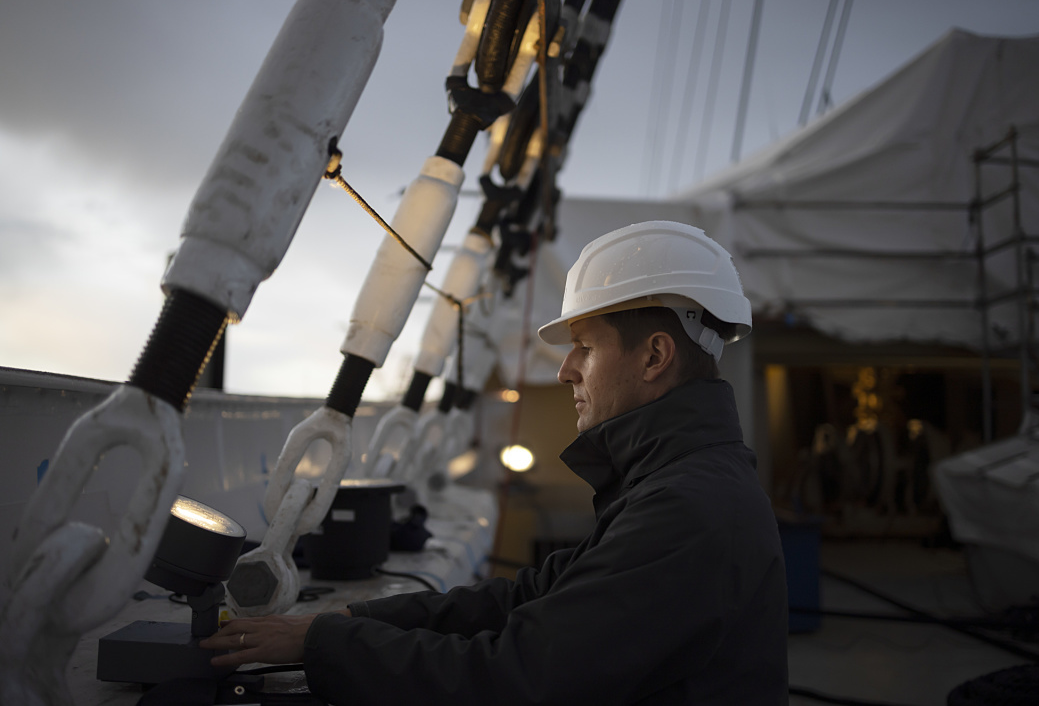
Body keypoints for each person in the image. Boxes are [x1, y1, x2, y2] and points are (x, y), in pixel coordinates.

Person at [201, 220, 789, 704]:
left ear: (654, 355)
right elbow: (525, 599)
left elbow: (515, 677)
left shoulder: (687, 509)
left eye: (585, 346)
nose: (565, 371)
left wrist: (327, 645)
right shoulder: (677, 482)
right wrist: (349, 619)